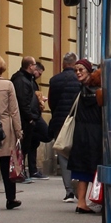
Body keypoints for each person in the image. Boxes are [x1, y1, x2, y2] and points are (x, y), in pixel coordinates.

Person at [0, 55, 24, 210]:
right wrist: (18, 131)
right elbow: (14, 110)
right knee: (7, 164)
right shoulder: (8, 85)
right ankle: (10, 198)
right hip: (5, 126)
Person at [68, 61, 103, 214]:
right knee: (98, 167)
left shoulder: (81, 90)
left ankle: (81, 202)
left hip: (81, 131)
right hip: (96, 132)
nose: (78, 73)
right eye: (76, 70)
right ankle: (97, 200)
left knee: (83, 168)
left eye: (81, 70)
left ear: (89, 71)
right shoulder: (100, 91)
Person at [47, 52, 81, 202]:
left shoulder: (54, 80)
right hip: (77, 121)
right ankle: (79, 188)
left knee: (63, 154)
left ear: (63, 64)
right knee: (78, 154)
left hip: (60, 121)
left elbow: (52, 103)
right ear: (75, 64)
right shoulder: (79, 80)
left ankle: (69, 191)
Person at [11, 56, 49, 180]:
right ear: (30, 66)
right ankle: (21, 171)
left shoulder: (29, 80)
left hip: (31, 116)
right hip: (28, 117)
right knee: (24, 145)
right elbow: (23, 101)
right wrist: (30, 118)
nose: (35, 68)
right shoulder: (22, 80)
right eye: (34, 65)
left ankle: (29, 170)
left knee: (32, 142)